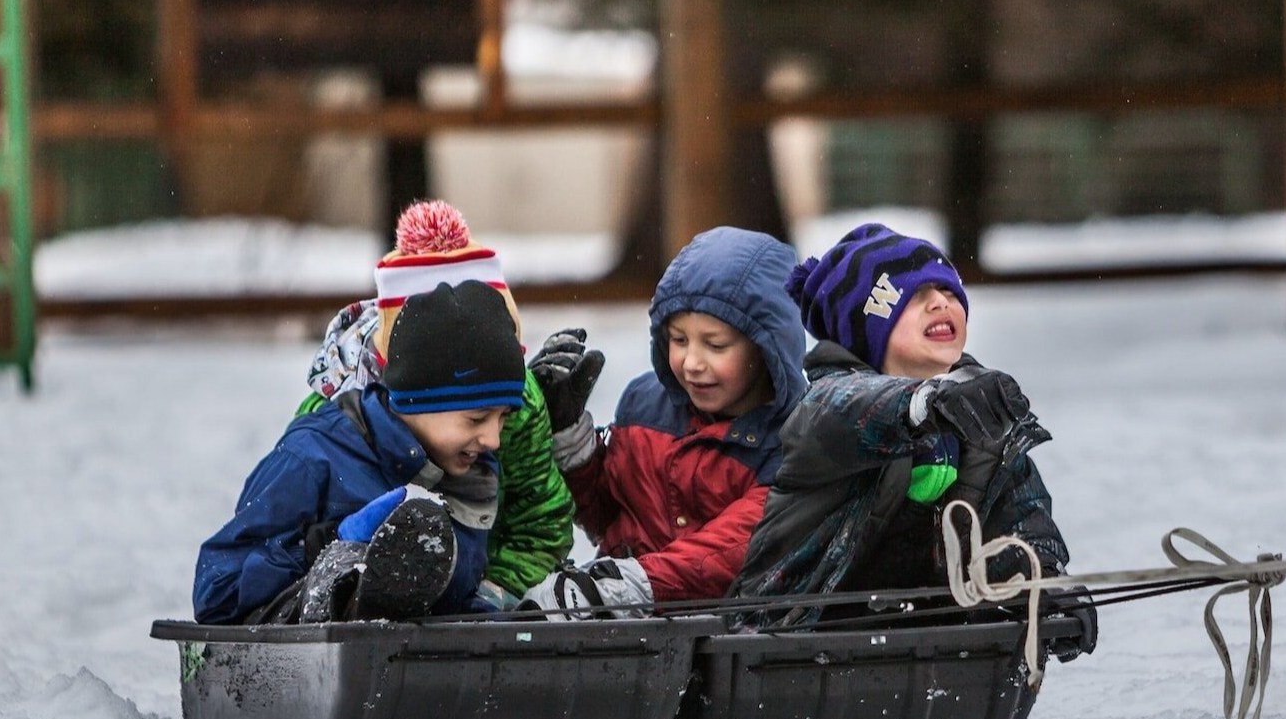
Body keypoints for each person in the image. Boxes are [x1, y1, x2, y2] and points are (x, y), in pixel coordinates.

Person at [731, 222, 1091, 654]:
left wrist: (1042, 587)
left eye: (948, 292)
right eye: (914, 297)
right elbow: (852, 410)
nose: (940, 302)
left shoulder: (980, 417)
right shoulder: (826, 406)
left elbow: (1019, 519)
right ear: (865, 331)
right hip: (787, 643)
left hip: (929, 645)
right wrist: (922, 404)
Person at [195, 281, 528, 625]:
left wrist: (508, 621)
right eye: (476, 419)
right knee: (344, 568)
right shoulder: (312, 458)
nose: (493, 439)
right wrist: (323, 543)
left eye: (503, 418)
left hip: (405, 665)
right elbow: (217, 591)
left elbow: (451, 604)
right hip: (302, 657)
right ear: (419, 401)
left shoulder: (472, 476)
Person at [298, 199, 573, 609]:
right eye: (477, 415)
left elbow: (539, 522)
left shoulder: (519, 406)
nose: (493, 436)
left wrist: (494, 591)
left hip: (480, 586)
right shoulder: (334, 412)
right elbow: (284, 531)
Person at [520, 225, 808, 616]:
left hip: (727, 641)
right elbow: (608, 513)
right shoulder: (645, 405)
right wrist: (569, 440)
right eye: (678, 339)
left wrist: (625, 587)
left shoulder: (794, 439)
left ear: (767, 346)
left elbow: (733, 550)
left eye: (715, 344)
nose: (691, 363)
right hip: (618, 630)